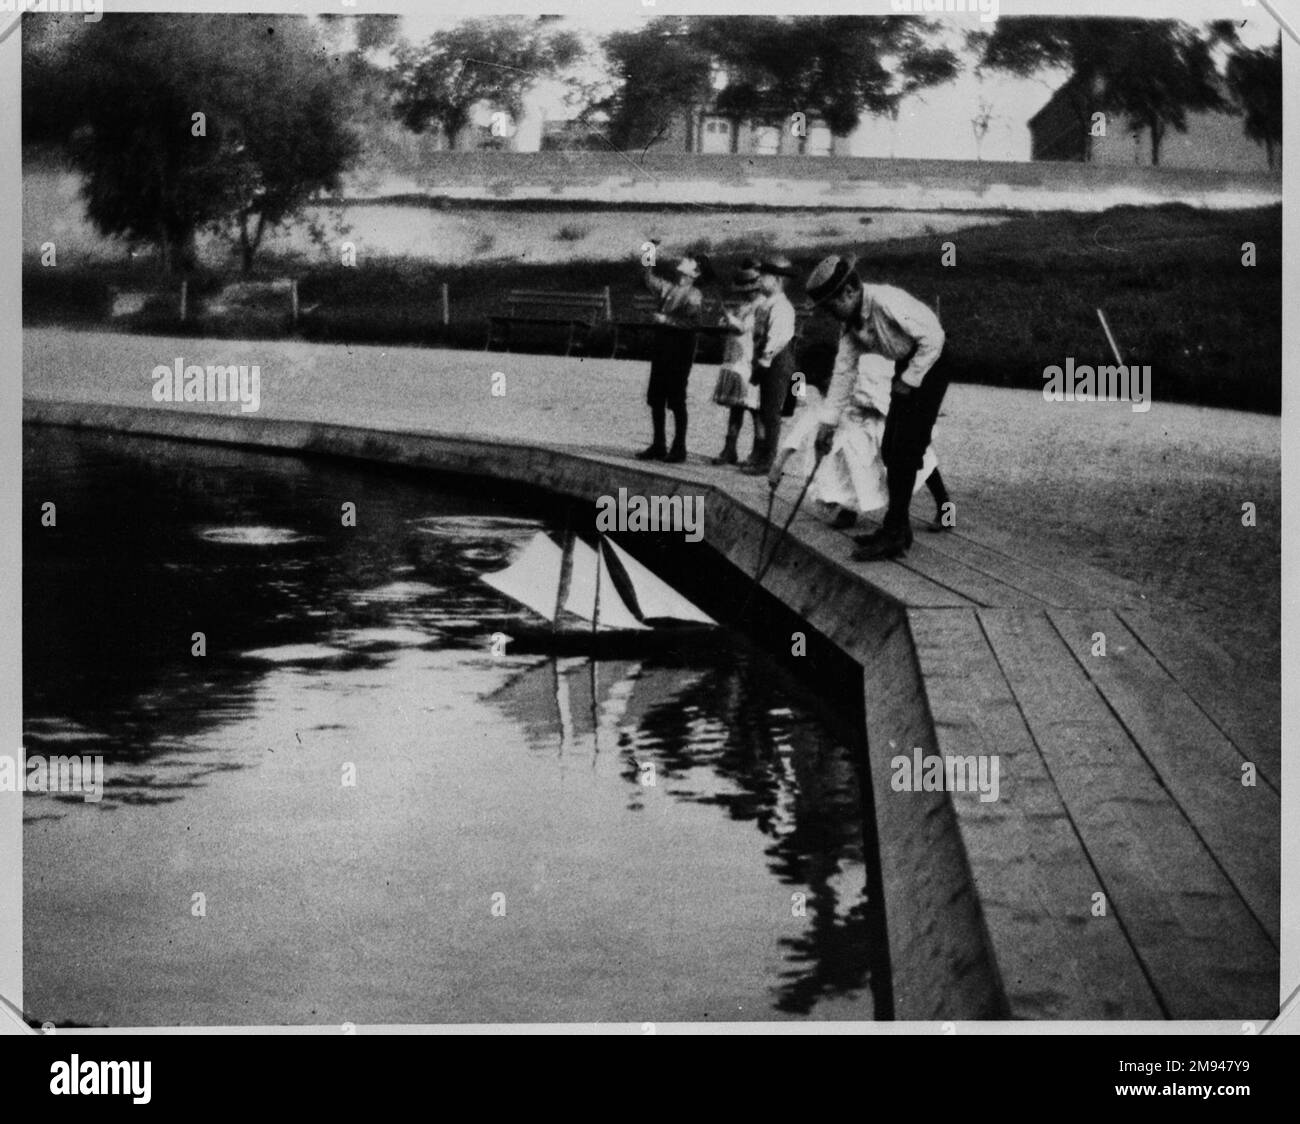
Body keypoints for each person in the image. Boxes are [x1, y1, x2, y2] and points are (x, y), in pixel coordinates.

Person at [805, 253, 954, 560]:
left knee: (906, 450)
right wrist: (827, 425)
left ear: (849, 292)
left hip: (931, 363)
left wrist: (911, 379)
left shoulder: (885, 301)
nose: (832, 316)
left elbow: (935, 338)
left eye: (832, 307)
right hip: (907, 365)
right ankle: (897, 528)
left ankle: (895, 534)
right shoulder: (850, 327)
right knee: (890, 449)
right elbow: (843, 375)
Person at [768, 353, 950, 531]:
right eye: (821, 388)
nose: (825, 390)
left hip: (886, 414)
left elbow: (889, 400)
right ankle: (850, 509)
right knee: (846, 455)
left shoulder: (867, 375)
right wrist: (779, 463)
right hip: (856, 424)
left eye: (825, 384)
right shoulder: (831, 391)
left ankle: (945, 507)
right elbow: (806, 423)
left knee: (920, 457)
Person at [636, 254, 711, 463]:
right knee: (656, 397)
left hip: (680, 352)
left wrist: (665, 319)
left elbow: (694, 324)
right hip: (662, 349)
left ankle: (679, 447)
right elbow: (647, 277)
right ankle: (659, 444)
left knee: (677, 399)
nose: (680, 269)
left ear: (694, 274)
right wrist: (649, 252)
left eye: (687, 267)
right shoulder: (668, 288)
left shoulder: (694, 295)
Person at [739, 255, 800, 475]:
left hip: (776, 362)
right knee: (764, 409)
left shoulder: (782, 307)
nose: (760, 280)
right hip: (766, 360)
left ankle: (769, 459)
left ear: (777, 280)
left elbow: (778, 338)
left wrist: (764, 360)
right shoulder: (767, 304)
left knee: (771, 412)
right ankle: (762, 455)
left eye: (765, 276)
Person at [709, 262, 764, 466]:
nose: (744, 294)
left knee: (755, 410)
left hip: (749, 362)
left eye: (747, 290)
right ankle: (729, 449)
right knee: (736, 407)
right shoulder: (744, 306)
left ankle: (758, 453)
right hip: (735, 359)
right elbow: (734, 326)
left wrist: (728, 317)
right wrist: (726, 320)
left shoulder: (761, 306)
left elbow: (743, 327)